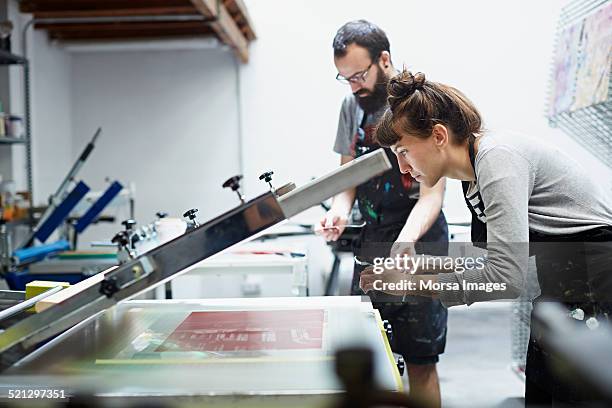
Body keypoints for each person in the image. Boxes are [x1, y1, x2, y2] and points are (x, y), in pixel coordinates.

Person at [361, 69, 612, 406]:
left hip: (596, 281)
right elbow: (494, 263)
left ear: (438, 135)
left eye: (404, 152)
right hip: (565, 281)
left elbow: (505, 279)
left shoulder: (496, 159)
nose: (403, 169)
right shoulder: (475, 171)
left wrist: (410, 283)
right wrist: (418, 267)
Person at [315, 21, 449, 406]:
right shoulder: (350, 107)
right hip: (372, 245)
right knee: (375, 357)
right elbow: (348, 177)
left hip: (420, 246)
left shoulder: (418, 107)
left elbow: (431, 194)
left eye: (359, 75)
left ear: (384, 60)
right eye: (345, 78)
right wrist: (339, 212)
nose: (354, 86)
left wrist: (406, 241)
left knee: (421, 359)